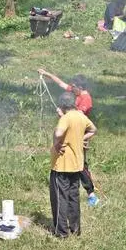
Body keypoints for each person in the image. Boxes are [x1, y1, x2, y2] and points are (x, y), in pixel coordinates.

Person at [38, 69, 98, 207]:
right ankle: (71, 186)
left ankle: (91, 194)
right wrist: (46, 73)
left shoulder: (86, 99)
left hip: (79, 133)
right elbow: (61, 84)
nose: (71, 89)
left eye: (74, 87)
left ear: (80, 88)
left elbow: (76, 119)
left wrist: (62, 115)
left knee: (81, 164)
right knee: (72, 160)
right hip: (70, 132)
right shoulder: (76, 91)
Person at [49, 92, 97, 237]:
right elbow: (93, 130)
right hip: (77, 164)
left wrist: (56, 143)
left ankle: (61, 232)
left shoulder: (66, 118)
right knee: (73, 197)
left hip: (62, 165)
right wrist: (82, 138)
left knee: (59, 198)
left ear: (63, 106)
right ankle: (75, 229)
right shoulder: (81, 116)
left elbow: (58, 133)